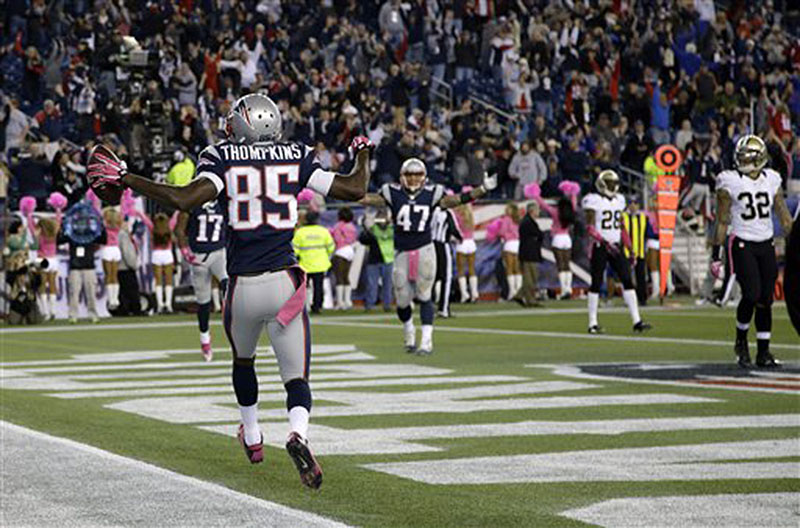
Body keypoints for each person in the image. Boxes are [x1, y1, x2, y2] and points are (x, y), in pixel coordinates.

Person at [88, 94, 373, 489]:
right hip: (285, 282)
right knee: (296, 378)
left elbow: (185, 199)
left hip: (241, 284)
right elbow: (355, 189)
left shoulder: (221, 156)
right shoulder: (295, 154)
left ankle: (253, 436)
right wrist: (363, 154)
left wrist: (129, 178)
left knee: (243, 362)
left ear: (239, 125)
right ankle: (298, 434)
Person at [360, 157, 496, 355]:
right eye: (409, 175)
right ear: (402, 176)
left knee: (425, 295)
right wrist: (336, 188)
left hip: (425, 248)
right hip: (401, 251)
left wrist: (482, 189)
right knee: (403, 300)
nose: (414, 179)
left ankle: (426, 341)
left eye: (417, 175)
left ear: (424, 177)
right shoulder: (392, 193)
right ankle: (408, 329)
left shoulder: (433, 194)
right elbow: (365, 198)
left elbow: (457, 200)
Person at [710, 135, 793, 368]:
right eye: (741, 155)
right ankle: (741, 340)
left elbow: (784, 216)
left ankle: (763, 352)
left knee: (766, 299)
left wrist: (794, 240)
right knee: (751, 294)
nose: (742, 159)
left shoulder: (771, 179)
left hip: (766, 242)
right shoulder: (729, 181)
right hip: (742, 241)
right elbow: (722, 219)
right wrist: (716, 253)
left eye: (747, 155)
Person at [582, 170, 651, 334]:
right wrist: (603, 241)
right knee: (597, 283)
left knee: (627, 280)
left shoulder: (620, 200)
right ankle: (592, 323)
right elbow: (589, 227)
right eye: (609, 183)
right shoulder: (593, 200)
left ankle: (637, 321)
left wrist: (629, 247)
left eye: (614, 183)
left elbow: (621, 226)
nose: (613, 186)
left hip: (616, 245)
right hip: (600, 246)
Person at [176, 194, 228, 361]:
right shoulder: (191, 205)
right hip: (198, 256)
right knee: (203, 302)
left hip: (219, 253)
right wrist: (185, 250)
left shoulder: (224, 202)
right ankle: (205, 339)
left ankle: (238, 330)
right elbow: (179, 230)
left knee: (230, 287)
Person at [59, 201, 106, 323]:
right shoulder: (71, 233)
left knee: (91, 292)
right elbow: (60, 240)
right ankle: (73, 314)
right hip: (75, 266)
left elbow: (103, 239)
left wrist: (101, 224)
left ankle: (93, 313)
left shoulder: (91, 233)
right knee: (74, 292)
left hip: (89, 266)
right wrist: (62, 225)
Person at [531, 181, 578, 299]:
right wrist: (573, 193)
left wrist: (535, 195)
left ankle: (564, 290)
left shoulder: (556, 211)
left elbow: (543, 205)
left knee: (560, 265)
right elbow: (574, 202)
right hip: (567, 239)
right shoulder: (571, 211)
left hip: (557, 238)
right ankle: (569, 288)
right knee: (567, 264)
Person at [293, 210, 335, 314]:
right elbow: (331, 248)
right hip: (320, 264)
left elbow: (295, 251)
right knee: (318, 287)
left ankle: (305, 306)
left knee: (304, 287)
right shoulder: (323, 231)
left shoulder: (300, 232)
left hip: (305, 265)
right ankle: (317, 307)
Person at [359, 208, 394, 312]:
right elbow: (363, 240)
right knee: (371, 284)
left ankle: (387, 305)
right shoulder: (372, 229)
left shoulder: (391, 229)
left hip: (388, 259)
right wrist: (366, 229)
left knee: (387, 284)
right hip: (373, 260)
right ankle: (370, 305)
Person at [431, 204, 462, 318]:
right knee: (447, 278)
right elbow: (453, 228)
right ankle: (443, 309)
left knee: (432, 277)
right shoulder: (448, 212)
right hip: (443, 245)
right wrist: (460, 237)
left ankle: (428, 307)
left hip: (431, 245)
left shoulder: (431, 210)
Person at [487, 202, 522, 301]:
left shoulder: (506, 219)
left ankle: (512, 291)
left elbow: (502, 231)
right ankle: (518, 291)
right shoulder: (518, 220)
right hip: (518, 244)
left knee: (510, 269)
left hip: (509, 244)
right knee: (518, 269)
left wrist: (496, 232)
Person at [514, 202, 543, 307]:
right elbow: (538, 234)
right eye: (537, 210)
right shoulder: (528, 223)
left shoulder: (527, 222)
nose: (539, 212)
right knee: (530, 278)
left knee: (531, 278)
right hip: (529, 254)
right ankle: (529, 299)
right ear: (532, 211)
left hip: (529, 253)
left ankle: (520, 295)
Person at [622, 200, 649, 305]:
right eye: (631, 203)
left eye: (636, 203)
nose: (633, 206)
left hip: (640, 251)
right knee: (626, 276)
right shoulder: (623, 217)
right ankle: (628, 300)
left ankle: (642, 299)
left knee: (641, 276)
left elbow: (647, 233)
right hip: (626, 251)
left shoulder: (643, 217)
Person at [330, 207, 357, 310]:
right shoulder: (352, 226)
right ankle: (348, 301)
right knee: (346, 277)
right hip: (350, 251)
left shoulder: (338, 226)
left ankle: (340, 302)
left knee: (339, 278)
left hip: (341, 251)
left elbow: (336, 238)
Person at [453, 198, 479, 303]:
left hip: (462, 243)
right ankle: (474, 293)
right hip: (471, 243)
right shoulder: (471, 217)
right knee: (472, 269)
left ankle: (464, 294)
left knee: (461, 270)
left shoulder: (457, 216)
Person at [151, 212, 175, 313]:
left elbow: (144, 219)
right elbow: (175, 218)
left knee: (158, 280)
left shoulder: (153, 228)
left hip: (156, 254)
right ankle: (168, 304)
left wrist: (138, 212)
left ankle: (160, 304)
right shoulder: (169, 227)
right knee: (169, 280)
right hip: (167, 254)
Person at [101, 207, 123, 310]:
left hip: (107, 250)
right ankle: (115, 299)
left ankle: (111, 299)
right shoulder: (118, 225)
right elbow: (121, 216)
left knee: (108, 275)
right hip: (116, 250)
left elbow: (99, 216)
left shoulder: (104, 226)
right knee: (115, 275)